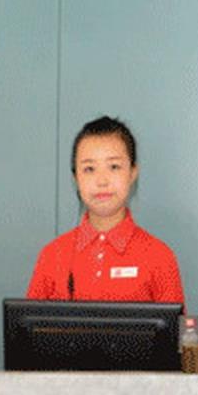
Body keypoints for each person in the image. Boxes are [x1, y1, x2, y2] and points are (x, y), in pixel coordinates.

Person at [25, 116, 184, 303]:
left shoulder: (160, 257)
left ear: (133, 173)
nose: (102, 181)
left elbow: (173, 322)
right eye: (89, 169)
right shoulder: (52, 255)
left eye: (114, 167)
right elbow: (28, 321)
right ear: (76, 178)